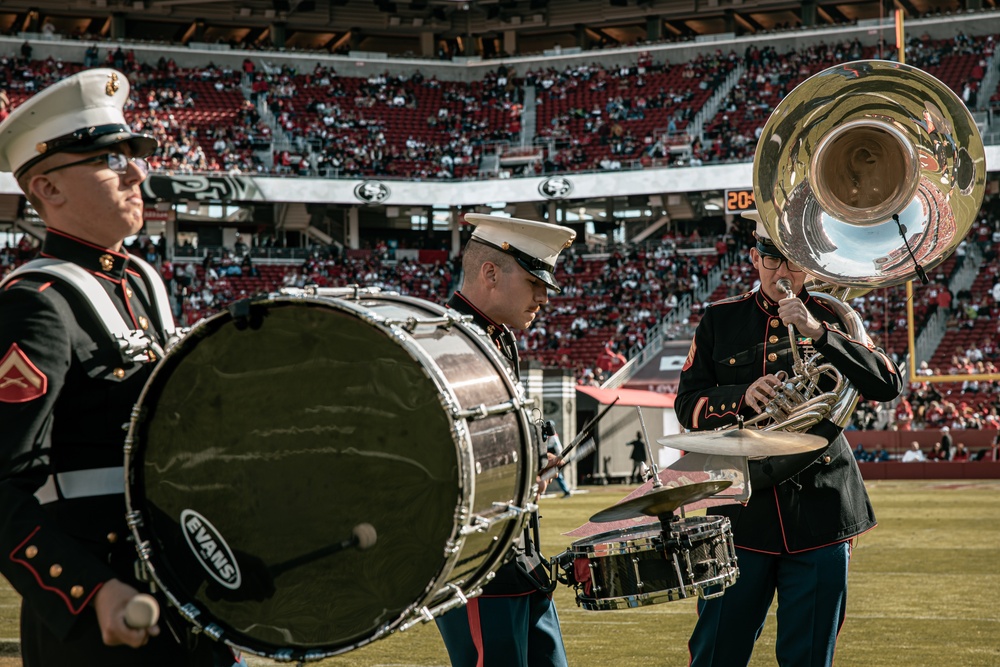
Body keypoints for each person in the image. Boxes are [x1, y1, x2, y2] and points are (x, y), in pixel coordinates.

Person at [0, 69, 243, 666]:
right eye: (112, 159)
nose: (138, 172)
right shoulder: (37, 303)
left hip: (185, 592)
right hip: (101, 628)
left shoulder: (138, 281)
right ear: (49, 189)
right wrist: (88, 591)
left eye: (134, 154)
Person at [674, 210, 902, 667]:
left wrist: (817, 334)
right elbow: (688, 405)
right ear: (755, 259)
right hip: (741, 514)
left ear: (811, 264)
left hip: (821, 513)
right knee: (717, 651)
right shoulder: (721, 320)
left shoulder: (833, 317)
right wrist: (742, 395)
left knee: (810, 656)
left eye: (794, 263)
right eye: (772, 262)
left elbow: (887, 385)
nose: (783, 274)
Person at [435, 213, 574, 667]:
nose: (543, 297)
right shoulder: (444, 341)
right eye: (535, 280)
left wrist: (542, 447)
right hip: (476, 560)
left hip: (519, 552)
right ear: (490, 272)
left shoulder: (497, 338)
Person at [544, 421, 572, 498]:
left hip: (553, 460)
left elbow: (559, 450)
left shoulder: (554, 437)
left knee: (557, 476)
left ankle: (567, 491)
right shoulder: (545, 436)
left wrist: (556, 460)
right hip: (546, 459)